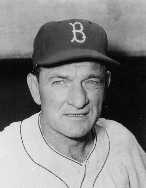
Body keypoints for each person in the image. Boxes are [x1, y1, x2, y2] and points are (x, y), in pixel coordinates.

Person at [0, 19, 146, 188]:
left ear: (106, 83)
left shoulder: (120, 139)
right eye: (60, 82)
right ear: (35, 88)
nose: (79, 100)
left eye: (91, 81)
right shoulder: (6, 154)